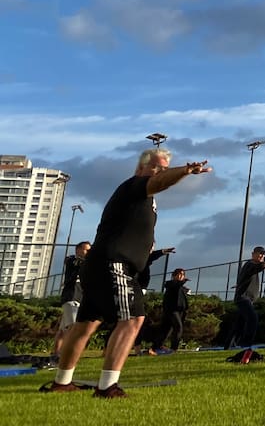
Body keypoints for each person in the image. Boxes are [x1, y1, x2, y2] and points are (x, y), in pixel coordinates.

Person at [42, 147, 211, 397]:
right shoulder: (134, 186)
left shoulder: (144, 199)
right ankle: (107, 386)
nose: (160, 172)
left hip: (100, 265)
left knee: (85, 324)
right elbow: (160, 182)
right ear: (141, 168)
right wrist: (185, 171)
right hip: (114, 263)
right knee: (132, 319)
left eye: (164, 168)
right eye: (156, 167)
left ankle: (62, 382)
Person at [52, 241, 90, 361]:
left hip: (78, 298)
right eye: (86, 249)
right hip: (71, 298)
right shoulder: (72, 260)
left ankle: (56, 353)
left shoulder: (85, 265)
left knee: (63, 329)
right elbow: (75, 261)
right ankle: (66, 354)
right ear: (78, 249)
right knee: (73, 328)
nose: (88, 252)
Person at [232, 246, 265, 348]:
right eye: (260, 253)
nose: (262, 256)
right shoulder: (249, 264)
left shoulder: (251, 266)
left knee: (240, 323)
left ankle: (231, 344)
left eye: (263, 254)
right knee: (252, 318)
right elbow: (257, 267)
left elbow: (253, 271)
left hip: (247, 299)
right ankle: (246, 344)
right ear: (253, 254)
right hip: (243, 298)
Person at [155, 268, 190, 351]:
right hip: (172, 310)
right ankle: (174, 348)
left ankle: (157, 346)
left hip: (180, 310)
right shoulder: (170, 284)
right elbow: (176, 285)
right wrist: (182, 282)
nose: (180, 276)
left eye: (182, 274)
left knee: (167, 329)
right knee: (178, 327)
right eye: (179, 274)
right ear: (174, 276)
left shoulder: (182, 288)